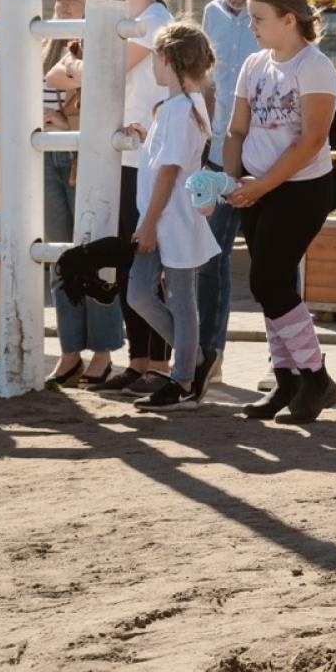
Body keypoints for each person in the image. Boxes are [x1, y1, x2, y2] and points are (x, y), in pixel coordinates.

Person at [226, 0, 336, 424]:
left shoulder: (313, 66)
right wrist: (232, 181)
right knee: (271, 285)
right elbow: (236, 129)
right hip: (255, 187)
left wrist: (261, 185)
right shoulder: (254, 63)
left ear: (288, 19)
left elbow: (312, 139)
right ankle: (286, 378)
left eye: (259, 18)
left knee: (267, 282)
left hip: (300, 188)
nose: (251, 25)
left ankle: (315, 378)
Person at [88, 0, 175, 397]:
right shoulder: (122, 17)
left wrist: (80, 67)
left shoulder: (156, 19)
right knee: (124, 259)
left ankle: (159, 363)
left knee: (146, 260)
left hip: (150, 157)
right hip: (124, 155)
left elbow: (103, 70)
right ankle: (138, 359)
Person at [127, 23, 222, 411]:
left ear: (166, 59)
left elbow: (169, 170)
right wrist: (146, 134)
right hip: (162, 216)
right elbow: (168, 159)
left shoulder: (183, 108)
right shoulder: (178, 108)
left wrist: (148, 223)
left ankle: (184, 378)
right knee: (140, 294)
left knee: (179, 299)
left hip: (171, 219)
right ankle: (194, 358)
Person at [41, 0, 125, 388]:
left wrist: (62, 119)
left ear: (93, 1)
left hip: (84, 159)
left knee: (92, 255)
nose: (61, 5)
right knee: (60, 257)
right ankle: (70, 350)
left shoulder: (100, 47)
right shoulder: (45, 46)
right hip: (48, 156)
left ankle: (104, 351)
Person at [198, 0, 265, 384]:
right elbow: (206, 81)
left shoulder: (275, 10)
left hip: (267, 152)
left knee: (271, 259)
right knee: (211, 256)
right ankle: (211, 358)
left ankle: (285, 362)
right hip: (220, 151)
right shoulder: (211, 15)